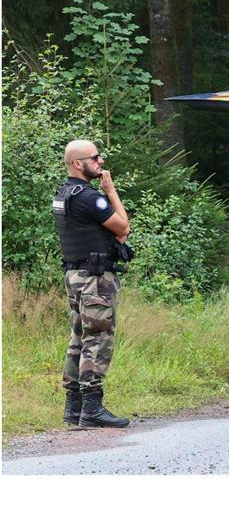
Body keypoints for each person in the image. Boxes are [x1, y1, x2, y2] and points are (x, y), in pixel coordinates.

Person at [52, 140, 132, 429]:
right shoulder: (89, 197)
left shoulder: (64, 194)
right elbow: (123, 227)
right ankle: (92, 408)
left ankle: (73, 408)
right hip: (94, 279)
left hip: (75, 276)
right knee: (97, 339)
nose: (100, 162)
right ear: (78, 164)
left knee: (78, 339)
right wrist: (110, 191)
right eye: (95, 158)